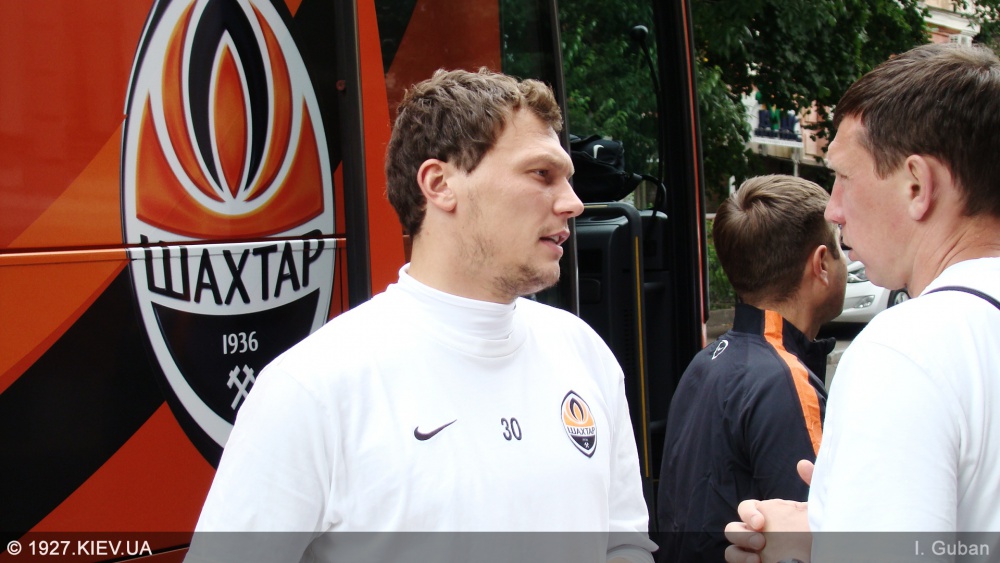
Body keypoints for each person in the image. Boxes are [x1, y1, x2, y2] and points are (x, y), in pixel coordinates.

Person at [187, 68, 656, 563]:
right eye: (541, 174)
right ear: (439, 184)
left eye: (568, 179)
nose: (574, 203)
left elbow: (624, 543)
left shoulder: (585, 354)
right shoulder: (312, 389)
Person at [724, 42, 1000, 563]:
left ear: (917, 185)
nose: (833, 209)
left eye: (844, 177)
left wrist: (803, 548)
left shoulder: (904, 351)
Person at [656, 175, 846, 562]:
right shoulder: (785, 380)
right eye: (840, 247)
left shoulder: (706, 361)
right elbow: (819, 535)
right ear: (821, 264)